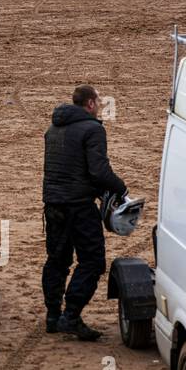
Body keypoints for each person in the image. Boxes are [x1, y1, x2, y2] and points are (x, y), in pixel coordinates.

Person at [41, 84, 126, 340]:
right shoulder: (93, 129)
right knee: (92, 261)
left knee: (57, 260)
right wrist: (120, 188)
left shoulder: (53, 128)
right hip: (78, 206)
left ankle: (53, 315)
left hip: (53, 204)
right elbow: (98, 171)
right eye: (97, 101)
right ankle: (72, 315)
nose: (99, 105)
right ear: (90, 104)